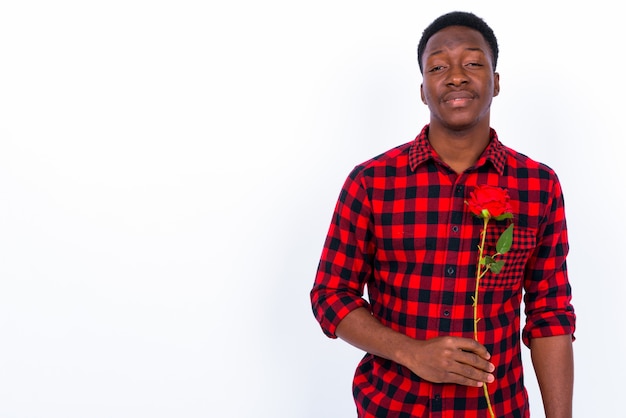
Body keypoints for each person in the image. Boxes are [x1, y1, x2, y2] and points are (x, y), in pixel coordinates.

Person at [310, 11, 575, 418]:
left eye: (472, 62)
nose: (455, 76)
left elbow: (549, 314)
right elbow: (331, 295)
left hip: (495, 410)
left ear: (496, 82)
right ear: (422, 90)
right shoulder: (372, 181)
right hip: (392, 407)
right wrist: (411, 352)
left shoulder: (538, 186)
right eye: (438, 66)